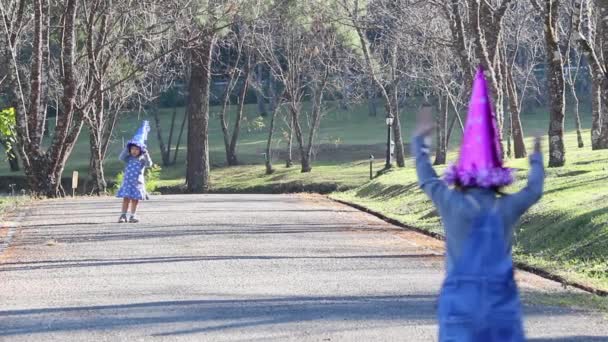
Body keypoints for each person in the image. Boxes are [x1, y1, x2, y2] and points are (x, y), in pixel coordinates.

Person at [412, 66, 544, 341]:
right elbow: (534, 190)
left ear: (461, 173)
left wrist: (420, 141)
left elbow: (427, 179)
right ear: (496, 174)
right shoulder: (506, 207)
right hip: (500, 305)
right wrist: (536, 157)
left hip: (459, 303)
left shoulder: (449, 201)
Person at [117, 121, 153, 223]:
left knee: (135, 200)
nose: (134, 151)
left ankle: (133, 215)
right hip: (128, 182)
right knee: (126, 199)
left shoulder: (142, 159)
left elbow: (149, 164)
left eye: (136, 149)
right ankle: (123, 215)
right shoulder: (128, 158)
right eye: (132, 149)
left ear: (140, 150)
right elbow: (121, 158)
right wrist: (126, 148)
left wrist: (146, 154)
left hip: (137, 183)